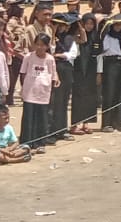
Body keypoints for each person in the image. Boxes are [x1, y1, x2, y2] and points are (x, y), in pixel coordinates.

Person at [18, 33, 58, 153]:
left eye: (42, 45)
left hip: (43, 93)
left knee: (42, 118)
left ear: (47, 46)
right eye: (38, 44)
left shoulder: (50, 59)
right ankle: (26, 142)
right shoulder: (28, 57)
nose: (40, 47)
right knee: (28, 118)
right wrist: (24, 88)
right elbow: (23, 73)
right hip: (30, 92)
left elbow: (53, 74)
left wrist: (53, 84)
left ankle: (40, 143)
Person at [50, 14, 79, 142]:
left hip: (66, 71)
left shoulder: (69, 38)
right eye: (57, 25)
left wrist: (59, 55)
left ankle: (62, 130)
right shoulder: (50, 38)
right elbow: (50, 51)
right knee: (53, 102)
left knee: (63, 101)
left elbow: (73, 54)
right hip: (53, 70)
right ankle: (51, 131)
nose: (60, 28)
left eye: (62, 25)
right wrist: (52, 34)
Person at [72, 14, 99, 133]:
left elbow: (99, 55)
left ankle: (86, 123)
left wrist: (99, 72)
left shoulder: (96, 37)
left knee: (90, 97)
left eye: (91, 24)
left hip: (91, 70)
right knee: (77, 97)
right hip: (78, 70)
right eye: (87, 23)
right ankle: (74, 124)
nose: (89, 26)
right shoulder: (76, 36)